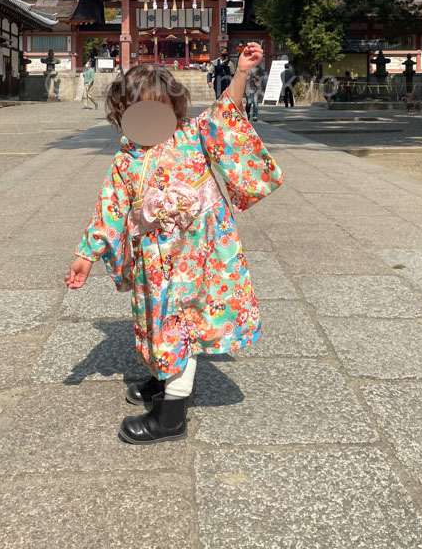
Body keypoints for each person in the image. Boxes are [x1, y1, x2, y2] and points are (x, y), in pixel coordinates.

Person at [65, 42, 282, 445]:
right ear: (124, 114)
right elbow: (109, 210)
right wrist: (86, 254)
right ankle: (162, 376)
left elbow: (225, 113)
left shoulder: (193, 136)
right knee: (157, 320)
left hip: (197, 253)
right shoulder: (125, 160)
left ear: (174, 108)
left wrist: (240, 74)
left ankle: (172, 413)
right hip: (156, 258)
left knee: (178, 322)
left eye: (158, 108)